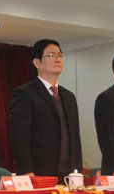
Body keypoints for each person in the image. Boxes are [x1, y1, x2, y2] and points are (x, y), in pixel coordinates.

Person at [9, 39, 83, 181]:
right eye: (51, 55)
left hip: (70, 174)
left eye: (60, 55)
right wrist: (26, 171)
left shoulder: (69, 96)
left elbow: (75, 139)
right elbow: (20, 137)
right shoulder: (25, 93)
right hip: (40, 171)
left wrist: (78, 171)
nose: (58, 59)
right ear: (37, 62)